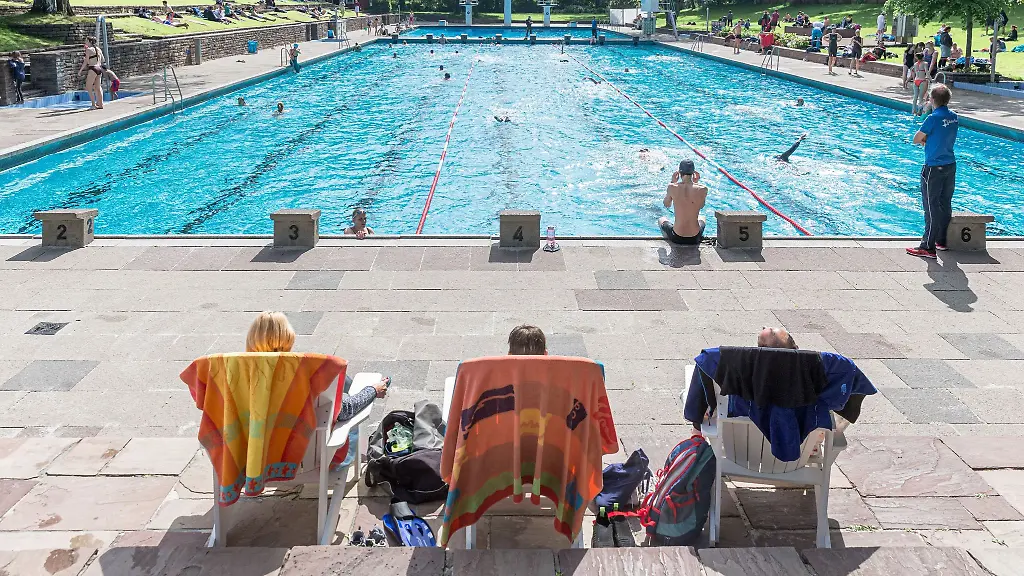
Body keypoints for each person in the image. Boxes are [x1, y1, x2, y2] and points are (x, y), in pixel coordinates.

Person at [246, 312, 389, 423]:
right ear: (288, 338)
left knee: (341, 381)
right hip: (302, 455)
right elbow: (345, 410)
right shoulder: (304, 372)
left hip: (245, 454)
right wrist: (373, 390)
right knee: (339, 383)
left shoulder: (236, 372)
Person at [907, 84, 958, 259]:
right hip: (950, 165)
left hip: (934, 167)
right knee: (945, 204)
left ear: (932, 99)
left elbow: (916, 139)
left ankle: (927, 246)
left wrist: (925, 140)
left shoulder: (933, 118)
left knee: (931, 206)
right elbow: (942, 137)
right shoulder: (954, 117)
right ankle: (941, 241)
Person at [658, 159, 707, 245]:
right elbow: (701, 206)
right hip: (695, 238)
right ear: (694, 173)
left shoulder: (672, 187)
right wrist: (696, 182)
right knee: (702, 218)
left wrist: (673, 182)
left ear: (679, 173)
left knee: (661, 219)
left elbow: (667, 204)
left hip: (677, 237)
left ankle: (668, 242)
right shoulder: (703, 189)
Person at [78, 37, 105, 109]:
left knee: (88, 87)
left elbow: (86, 62)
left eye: (86, 40)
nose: (85, 42)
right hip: (99, 68)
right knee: (98, 87)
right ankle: (101, 104)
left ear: (90, 41)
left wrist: (80, 70)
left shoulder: (88, 50)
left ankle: (93, 104)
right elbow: (102, 59)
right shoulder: (98, 49)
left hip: (92, 68)